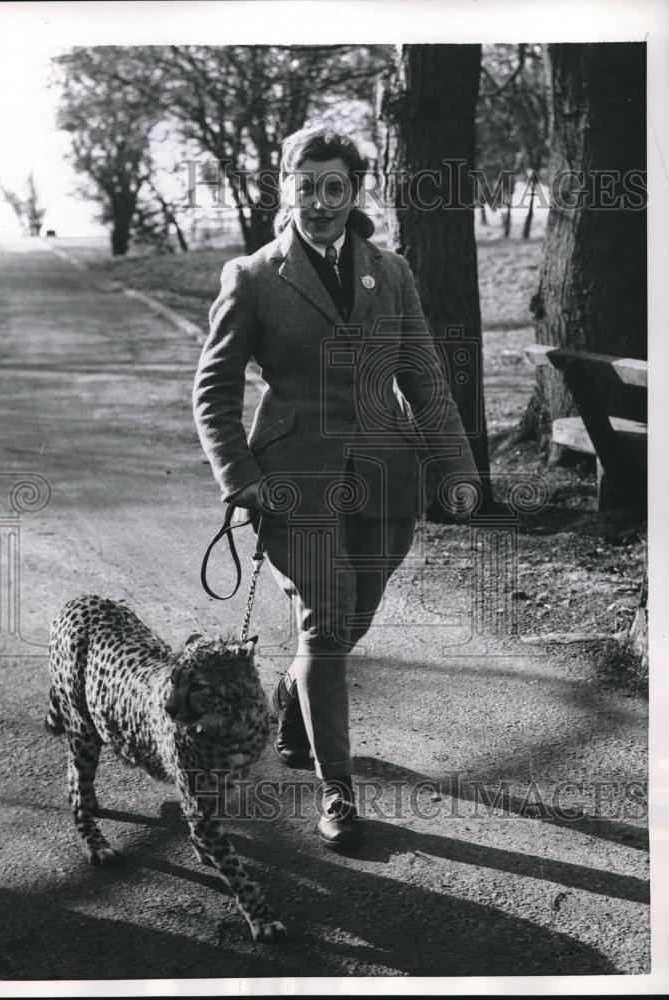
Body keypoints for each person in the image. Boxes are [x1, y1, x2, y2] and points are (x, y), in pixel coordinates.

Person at [193, 123, 481, 850]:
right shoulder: (252, 278)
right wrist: (241, 478)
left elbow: (422, 376)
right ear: (284, 187)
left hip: (386, 477)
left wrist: (457, 469)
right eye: (306, 185)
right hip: (293, 484)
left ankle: (293, 700)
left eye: (334, 187)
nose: (319, 202)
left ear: (354, 192)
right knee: (326, 624)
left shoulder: (392, 271)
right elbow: (214, 390)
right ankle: (337, 792)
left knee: (349, 626)